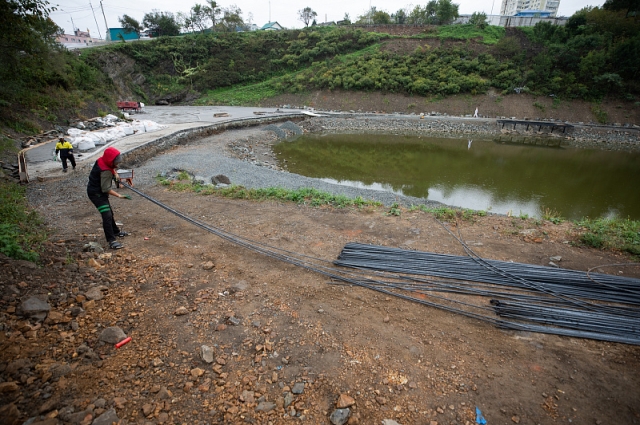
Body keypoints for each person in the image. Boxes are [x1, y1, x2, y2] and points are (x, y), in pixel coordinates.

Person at [86, 147, 132, 249]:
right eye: (116, 163)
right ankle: (111, 241)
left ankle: (116, 232)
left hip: (98, 192)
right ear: (111, 160)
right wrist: (119, 195)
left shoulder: (102, 160)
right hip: (96, 194)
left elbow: (110, 168)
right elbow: (106, 189)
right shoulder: (105, 171)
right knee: (106, 215)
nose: (117, 165)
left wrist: (114, 173)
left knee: (110, 212)